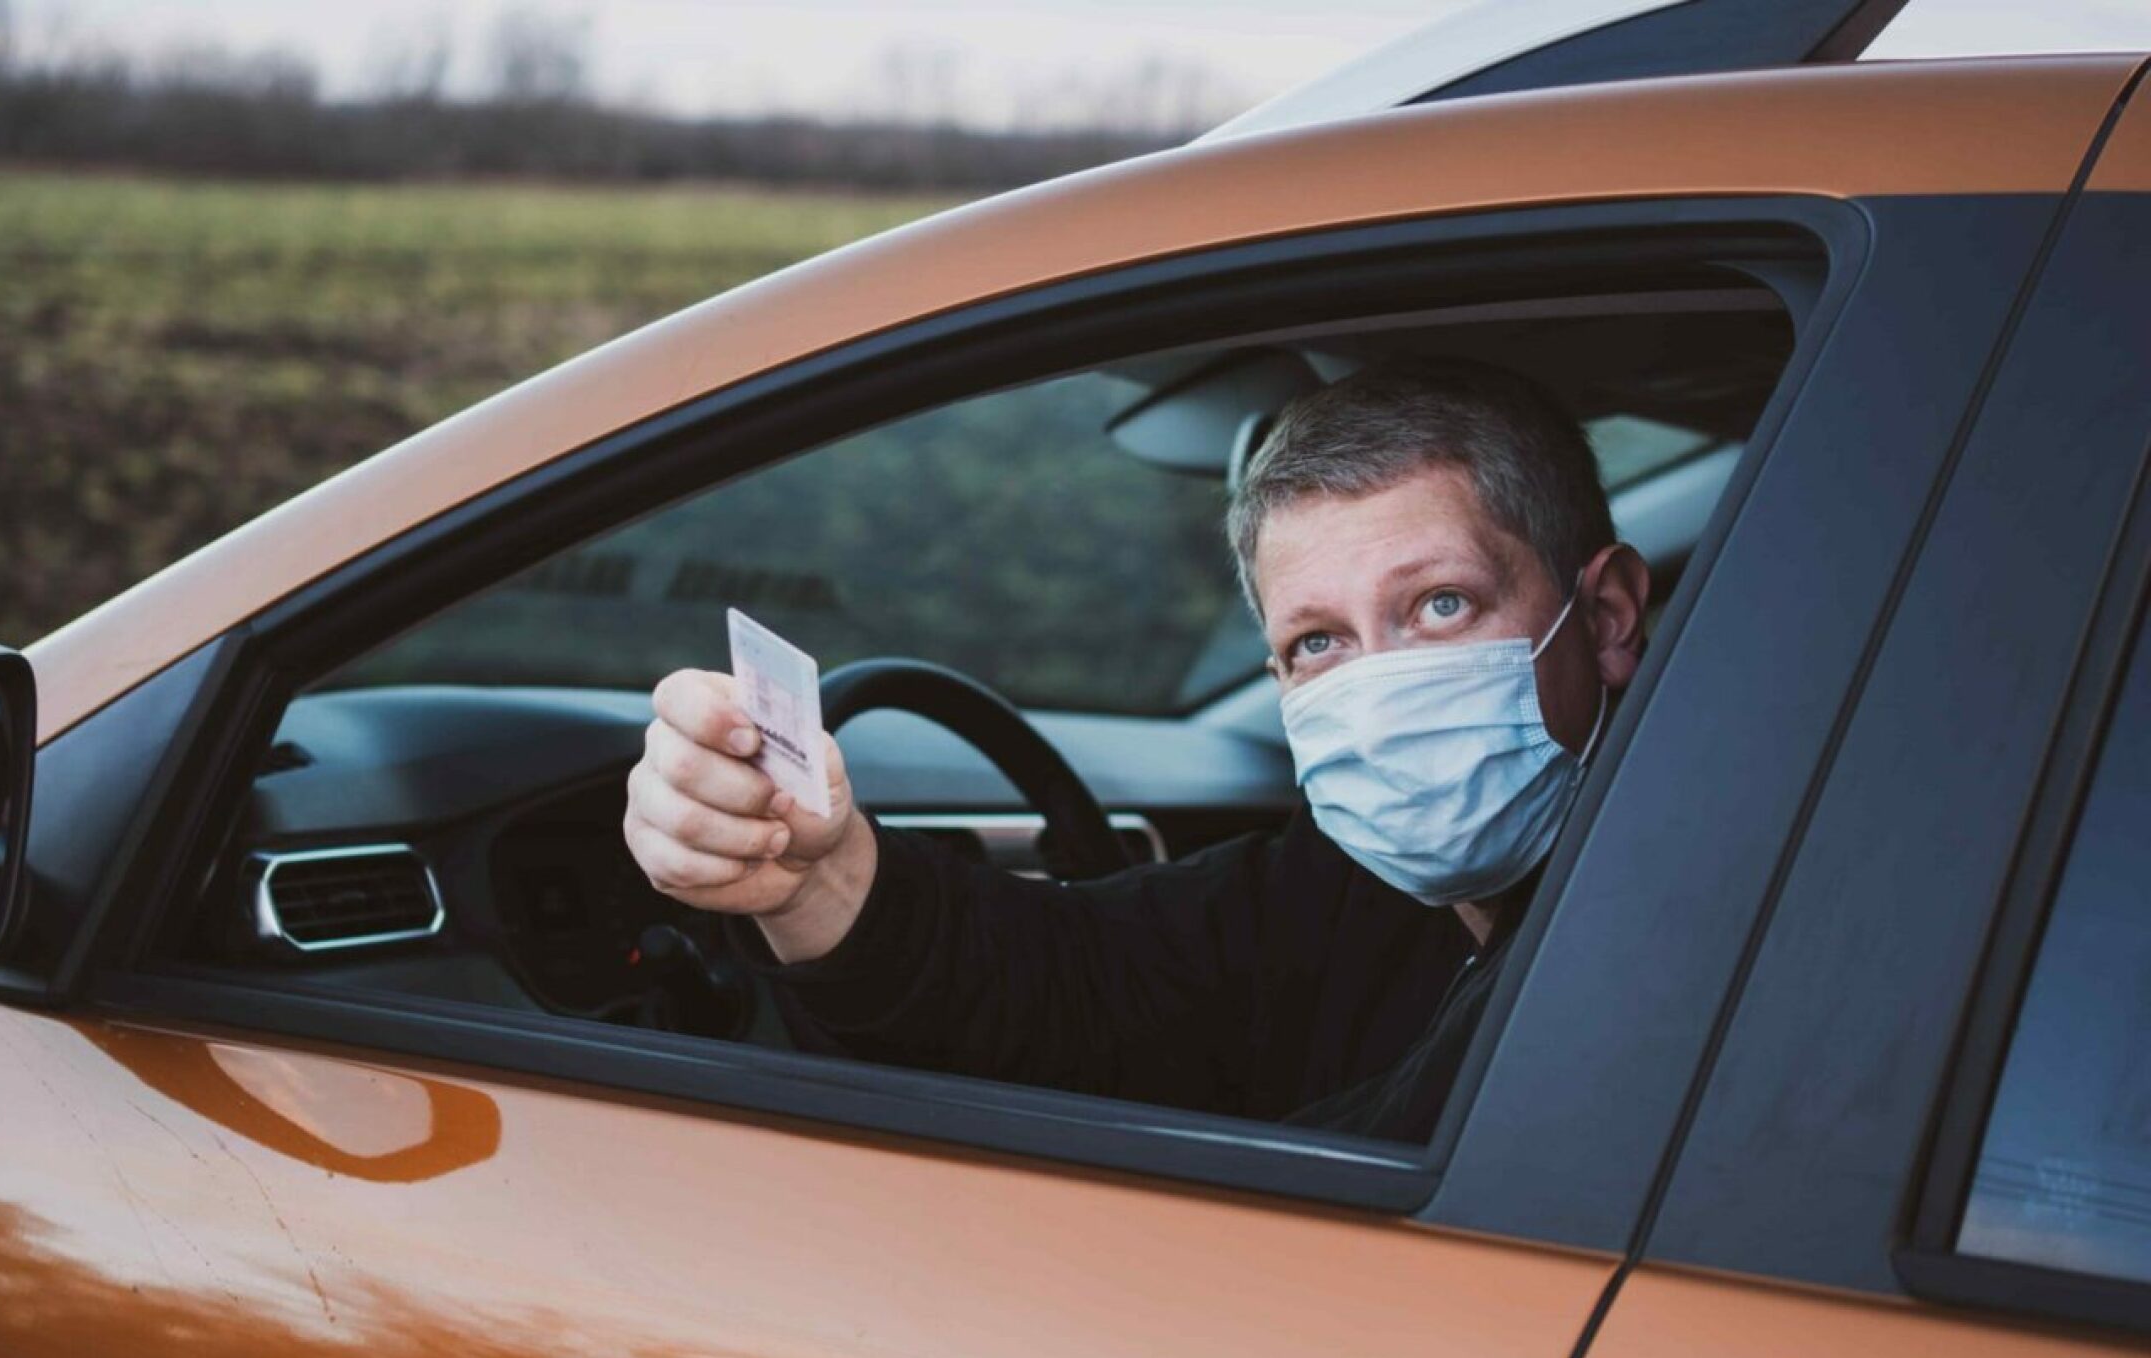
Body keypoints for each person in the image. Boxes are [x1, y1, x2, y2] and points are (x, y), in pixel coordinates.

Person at [623, 361, 1651, 1140]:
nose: (1378, 688)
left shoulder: (1674, 923)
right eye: (1319, 641)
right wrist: (815, 876)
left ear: (1603, 616)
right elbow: (1069, 989)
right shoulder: (1335, 889)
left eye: (1439, 605)